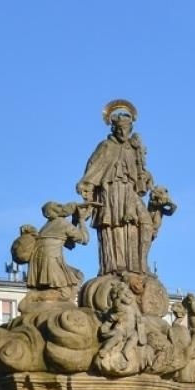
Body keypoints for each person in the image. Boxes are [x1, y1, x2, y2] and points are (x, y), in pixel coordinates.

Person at [77, 99, 155, 276]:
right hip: (110, 191)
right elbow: (94, 166)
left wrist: (146, 176)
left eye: (126, 129)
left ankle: (135, 265)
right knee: (112, 225)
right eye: (119, 129)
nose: (122, 132)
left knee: (133, 224)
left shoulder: (133, 148)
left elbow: (140, 172)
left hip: (128, 192)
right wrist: (87, 183)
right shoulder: (106, 146)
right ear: (113, 128)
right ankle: (113, 265)